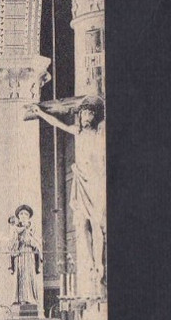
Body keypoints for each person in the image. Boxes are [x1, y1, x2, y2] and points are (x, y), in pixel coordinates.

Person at [28, 97, 106, 285]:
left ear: (94, 116)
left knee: (96, 222)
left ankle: (99, 263)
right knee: (82, 222)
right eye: (83, 113)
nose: (86, 117)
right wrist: (40, 113)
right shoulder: (78, 131)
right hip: (80, 178)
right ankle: (90, 261)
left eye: (89, 113)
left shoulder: (99, 132)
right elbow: (58, 124)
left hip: (95, 180)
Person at [9, 205, 41, 309]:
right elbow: (11, 244)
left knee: (29, 275)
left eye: (26, 214)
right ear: (18, 216)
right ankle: (19, 299)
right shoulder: (15, 229)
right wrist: (17, 241)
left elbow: (37, 243)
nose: (23, 216)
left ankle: (30, 298)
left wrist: (31, 241)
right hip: (20, 255)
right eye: (21, 214)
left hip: (29, 254)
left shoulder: (33, 229)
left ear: (29, 217)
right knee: (20, 275)